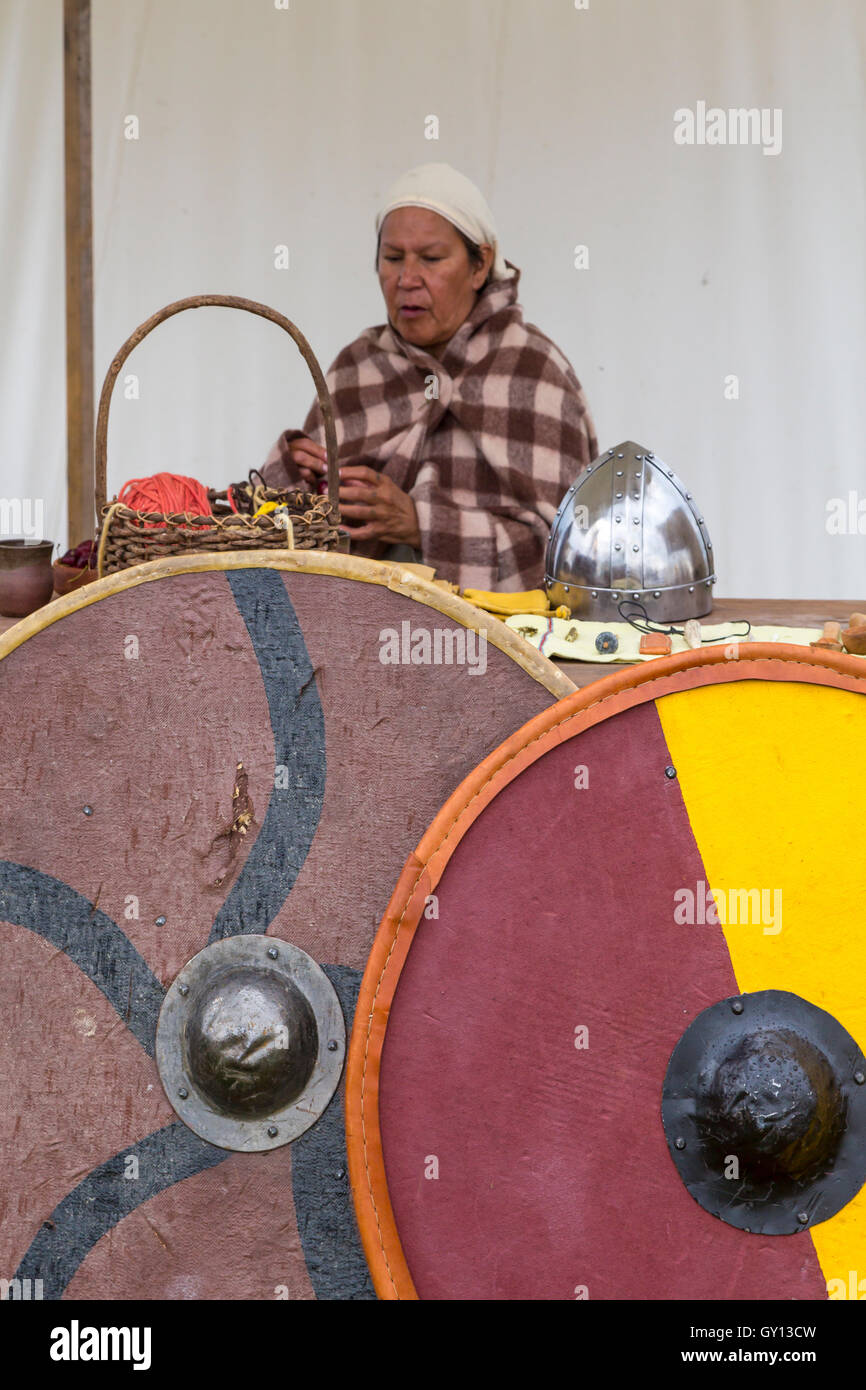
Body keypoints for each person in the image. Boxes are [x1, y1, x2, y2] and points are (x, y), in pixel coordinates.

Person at [262, 162, 597, 591]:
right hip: (357, 636)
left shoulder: (533, 372)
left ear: (480, 265)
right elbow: (293, 541)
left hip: (499, 645)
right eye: (393, 258)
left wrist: (420, 526)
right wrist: (297, 472)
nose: (407, 279)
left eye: (432, 258)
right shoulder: (357, 369)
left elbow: (568, 554)